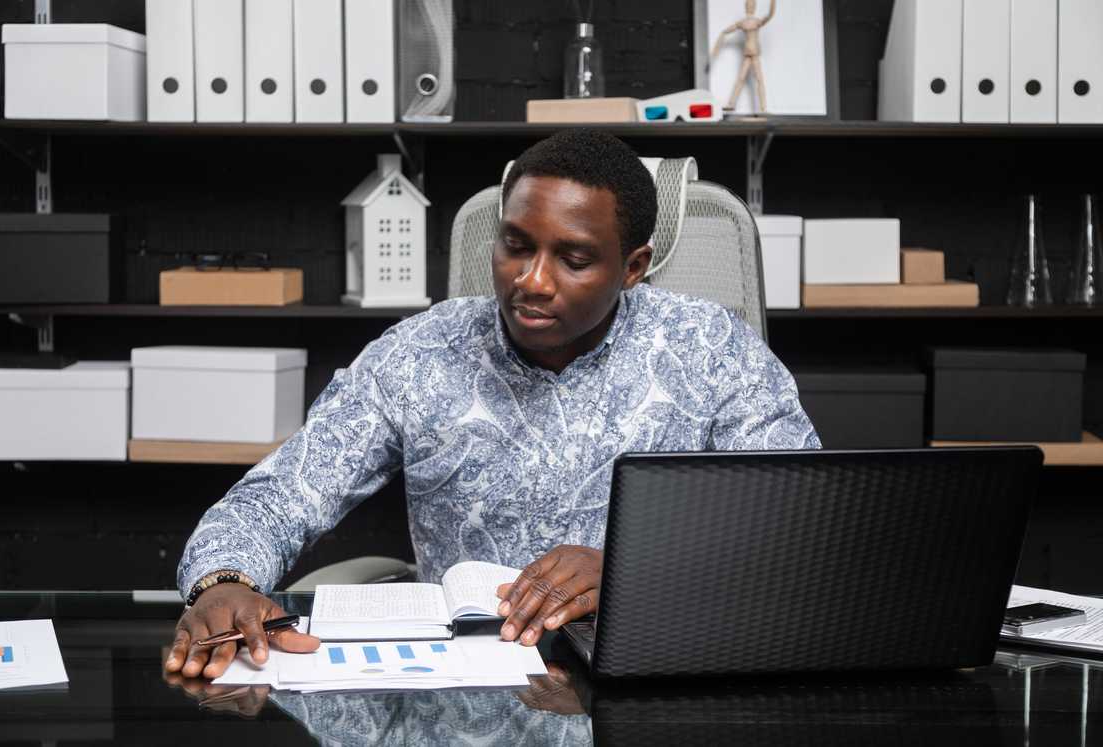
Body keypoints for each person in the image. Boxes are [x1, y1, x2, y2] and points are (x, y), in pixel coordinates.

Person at [164, 129, 820, 679]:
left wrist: (634, 568)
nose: (532, 279)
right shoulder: (422, 351)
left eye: (573, 258)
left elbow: (807, 521)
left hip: (656, 675)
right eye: (516, 245)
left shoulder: (711, 348)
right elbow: (278, 496)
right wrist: (223, 580)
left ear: (634, 265)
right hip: (462, 690)